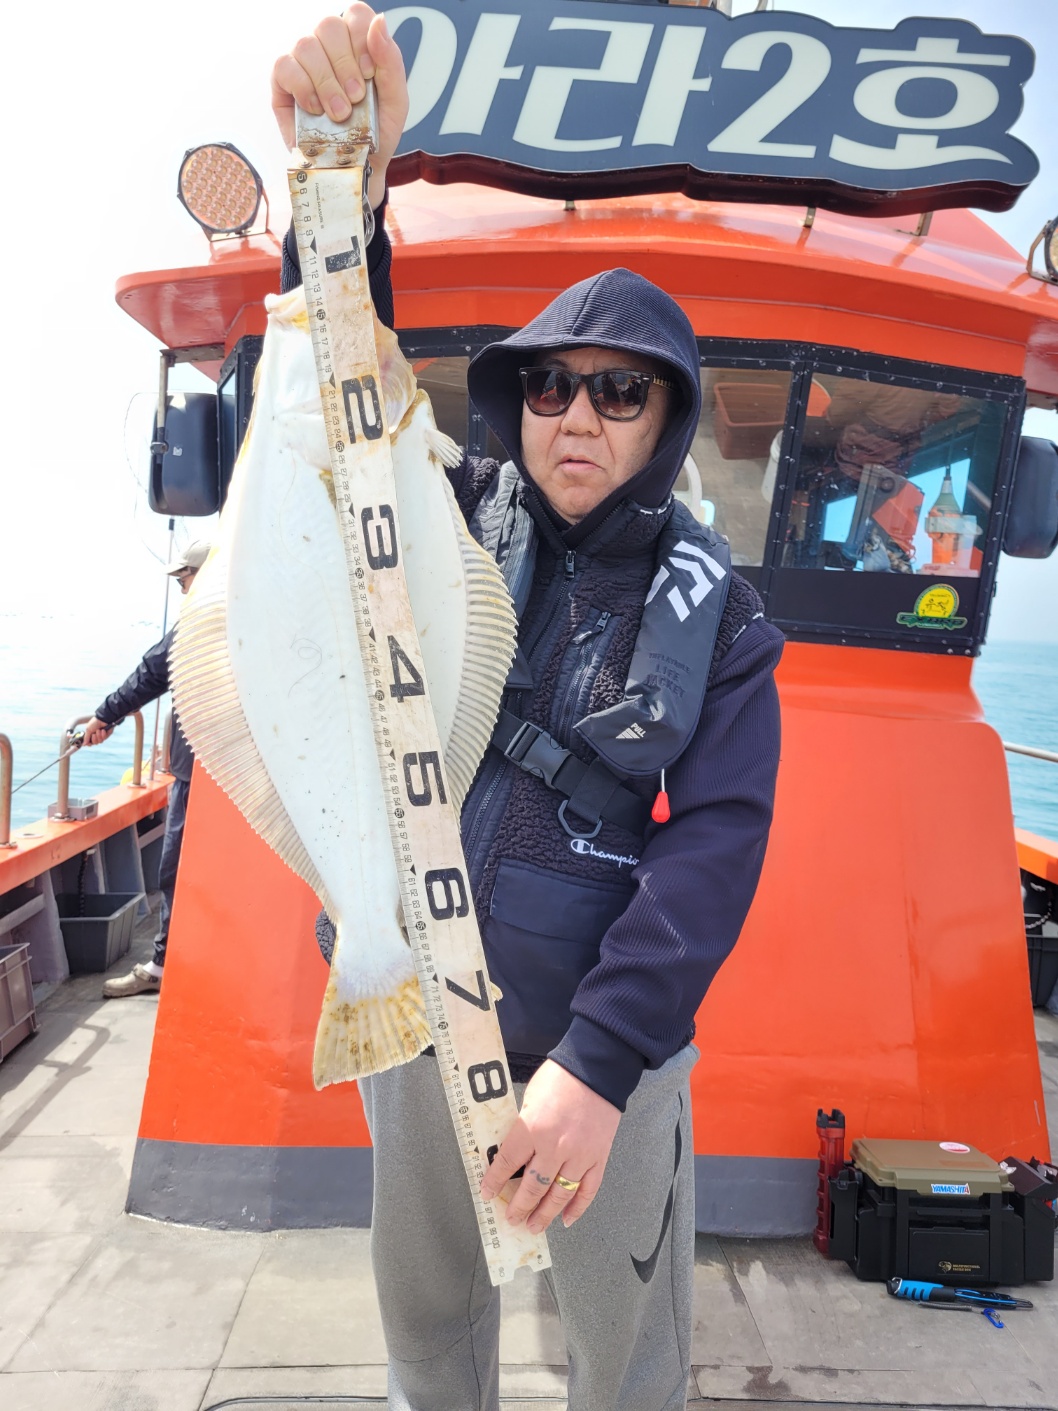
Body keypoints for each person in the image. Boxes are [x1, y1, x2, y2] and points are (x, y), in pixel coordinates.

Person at [273, 11, 783, 1408]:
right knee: (427, 1325)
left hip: (598, 1056)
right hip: (415, 1017)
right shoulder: (433, 514)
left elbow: (712, 847)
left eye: (619, 391)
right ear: (518, 399)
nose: (575, 414)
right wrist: (341, 185)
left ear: (664, 423)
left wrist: (600, 1068)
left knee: (628, 1360)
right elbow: (337, 401)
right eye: (550, 383)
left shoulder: (724, 620)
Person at [83, 542, 210, 998]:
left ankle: (162, 966)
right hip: (244, 776)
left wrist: (105, 714)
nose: (182, 589)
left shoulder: (200, 622)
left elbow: (152, 673)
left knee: (175, 869)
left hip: (199, 774)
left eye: (184, 579)